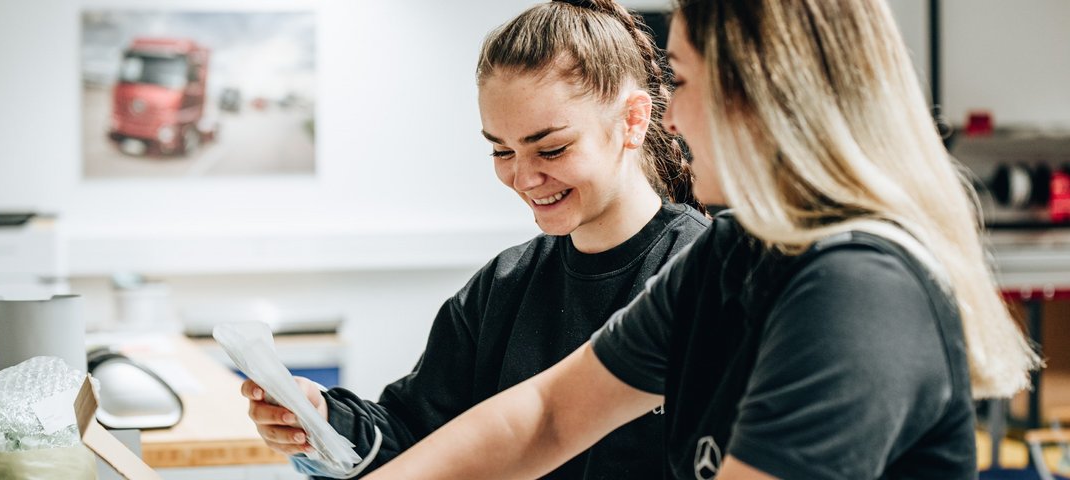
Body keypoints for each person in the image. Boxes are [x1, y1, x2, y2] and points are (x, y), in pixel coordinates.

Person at [358, 0, 1042, 479]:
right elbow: (548, 417)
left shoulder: (859, 290)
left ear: (761, 91)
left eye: (679, 80)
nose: (671, 117)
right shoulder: (733, 253)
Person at [241, 1, 709, 478]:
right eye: (501, 149)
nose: (523, 177)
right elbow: (418, 434)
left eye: (552, 148)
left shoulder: (705, 273)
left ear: (632, 120)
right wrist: (326, 423)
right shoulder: (505, 286)